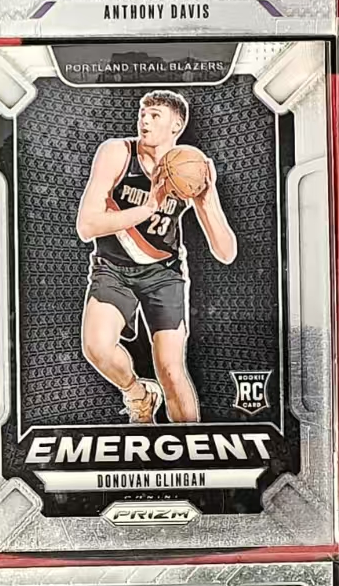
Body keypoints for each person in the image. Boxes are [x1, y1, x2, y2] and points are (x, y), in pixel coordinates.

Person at [75, 89, 236, 424]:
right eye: (142, 113)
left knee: (171, 369)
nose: (144, 121)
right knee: (97, 347)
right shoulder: (117, 153)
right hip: (113, 268)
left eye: (154, 115)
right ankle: (138, 394)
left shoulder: (189, 168)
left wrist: (208, 199)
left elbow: (226, 252)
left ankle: (191, 445)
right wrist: (148, 207)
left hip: (163, 273)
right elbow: (87, 225)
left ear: (176, 125)